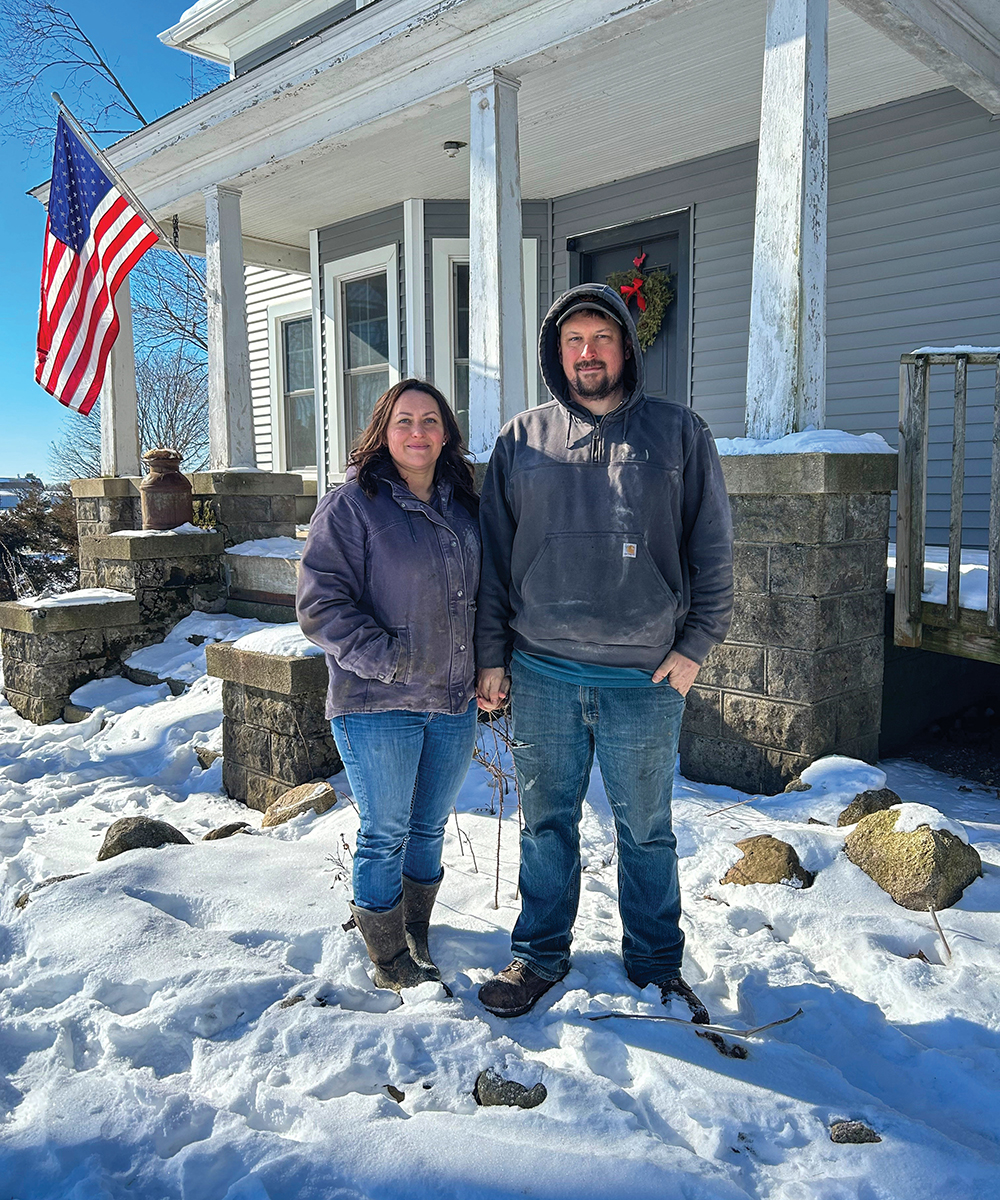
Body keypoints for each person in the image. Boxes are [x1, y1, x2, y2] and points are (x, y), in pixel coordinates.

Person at [475, 284, 733, 1021]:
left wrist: (695, 646)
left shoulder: (679, 434)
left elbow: (714, 551)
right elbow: (493, 561)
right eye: (574, 341)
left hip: (644, 680)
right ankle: (538, 954)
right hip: (542, 671)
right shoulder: (521, 440)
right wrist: (492, 656)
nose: (587, 353)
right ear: (557, 354)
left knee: (646, 832)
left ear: (625, 346)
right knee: (545, 826)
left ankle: (655, 965)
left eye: (601, 338)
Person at [297, 379, 481, 993]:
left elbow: (484, 598)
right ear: (384, 431)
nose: (417, 432)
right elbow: (320, 604)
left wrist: (488, 665)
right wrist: (392, 661)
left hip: (452, 702)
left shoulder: (465, 507)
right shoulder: (352, 505)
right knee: (385, 833)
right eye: (404, 420)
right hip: (378, 702)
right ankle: (387, 954)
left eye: (430, 420)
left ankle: (415, 932)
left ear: (446, 433)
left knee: (429, 827)